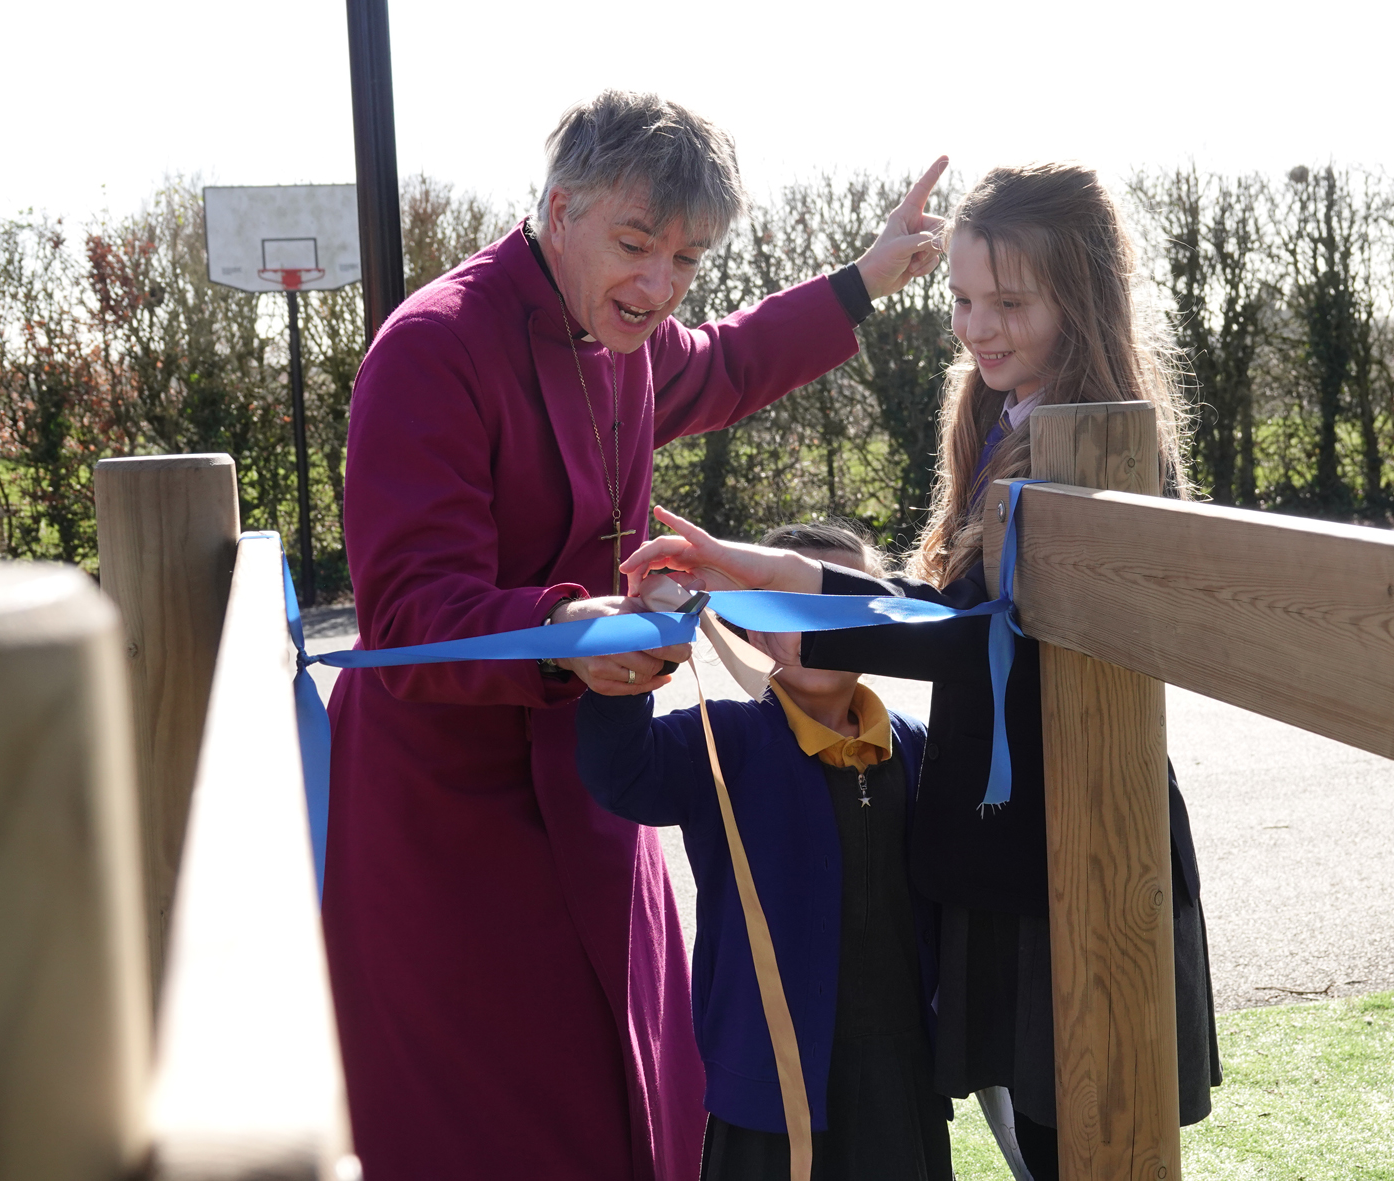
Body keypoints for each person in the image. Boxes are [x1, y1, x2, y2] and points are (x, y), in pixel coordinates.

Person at [325, 89, 946, 1181]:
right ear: (557, 207)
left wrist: (862, 279)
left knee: (636, 1106)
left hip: (588, 781)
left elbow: (732, 359)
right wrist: (567, 628)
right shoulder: (430, 347)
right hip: (446, 818)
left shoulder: (629, 338)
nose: (659, 286)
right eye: (634, 244)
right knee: (487, 1127)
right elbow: (411, 609)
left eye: (688, 259)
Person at [621, 163, 1221, 1181]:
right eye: (961, 299)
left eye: (1009, 302)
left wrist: (803, 601)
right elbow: (958, 617)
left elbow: (984, 638)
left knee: (1085, 1144)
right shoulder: (995, 420)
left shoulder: (1101, 445)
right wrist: (785, 577)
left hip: (1087, 854)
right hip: (1004, 863)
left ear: (1079, 298)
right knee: (1038, 1144)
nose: (978, 325)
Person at [578, 522, 951, 1181]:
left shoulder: (917, 746)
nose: (819, 629)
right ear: (750, 628)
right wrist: (646, 649)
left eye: (841, 609)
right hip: (766, 1087)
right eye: (790, 607)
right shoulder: (726, 740)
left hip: (901, 1077)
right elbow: (621, 773)